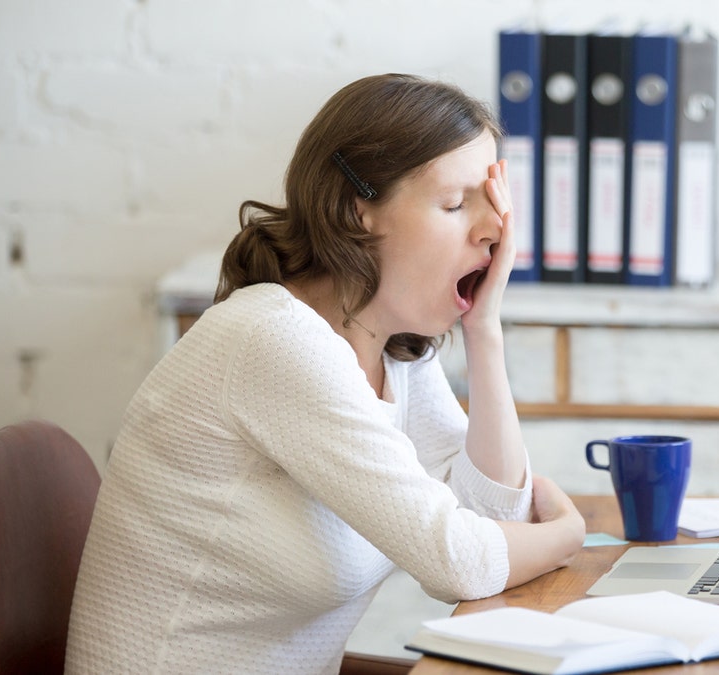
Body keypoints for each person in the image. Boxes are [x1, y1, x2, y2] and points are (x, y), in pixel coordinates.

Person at [65, 73, 586, 674]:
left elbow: (492, 523)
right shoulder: (276, 341)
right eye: (454, 203)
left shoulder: (391, 346)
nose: (494, 230)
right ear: (354, 209)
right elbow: (460, 562)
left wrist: (483, 330)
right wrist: (567, 535)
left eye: (491, 202)